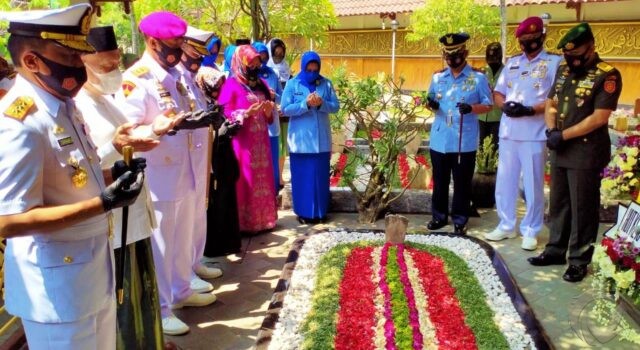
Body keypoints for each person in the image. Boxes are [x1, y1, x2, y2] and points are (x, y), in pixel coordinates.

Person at [0, 4, 145, 349]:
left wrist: (113, 175)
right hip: (55, 292)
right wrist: (103, 202)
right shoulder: (22, 123)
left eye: (80, 56)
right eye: (68, 56)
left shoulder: (63, 106)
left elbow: (73, 178)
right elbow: (8, 220)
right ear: (33, 61)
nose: (79, 66)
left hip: (91, 273)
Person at [114, 11, 217, 336]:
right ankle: (160, 308)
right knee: (161, 245)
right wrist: (155, 128)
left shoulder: (177, 75)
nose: (177, 50)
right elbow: (127, 131)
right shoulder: (138, 79)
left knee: (181, 238)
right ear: (152, 41)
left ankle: (181, 290)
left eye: (179, 43)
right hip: (160, 176)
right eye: (172, 44)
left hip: (186, 170)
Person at [75, 26, 166, 349]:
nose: (115, 69)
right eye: (107, 65)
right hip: (112, 221)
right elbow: (78, 168)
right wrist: (118, 145)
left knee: (140, 296)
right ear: (82, 61)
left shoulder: (106, 99)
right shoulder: (78, 105)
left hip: (133, 216)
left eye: (116, 62)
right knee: (120, 301)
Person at [529, 23, 622, 282]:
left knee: (582, 207)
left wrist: (563, 135)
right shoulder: (563, 69)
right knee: (558, 203)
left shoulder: (607, 75)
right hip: (560, 148)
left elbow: (600, 117)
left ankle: (579, 259)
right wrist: (550, 130)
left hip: (585, 152)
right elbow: (551, 102)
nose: (573, 60)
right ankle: (555, 250)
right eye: (569, 56)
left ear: (591, 47)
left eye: (577, 55)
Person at [484, 17, 562, 251]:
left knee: (532, 185)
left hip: (535, 133)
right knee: (505, 182)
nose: (528, 44)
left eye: (533, 39)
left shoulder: (554, 62)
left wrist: (530, 109)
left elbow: (555, 98)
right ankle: (506, 225)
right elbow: (498, 91)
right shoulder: (513, 63)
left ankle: (531, 229)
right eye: (524, 41)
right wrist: (503, 105)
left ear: (542, 37)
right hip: (509, 131)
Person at [425, 33, 493, 235]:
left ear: (465, 53)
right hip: (440, 139)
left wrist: (472, 108)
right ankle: (438, 217)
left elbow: (488, 105)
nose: (452, 59)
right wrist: (432, 105)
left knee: (462, 183)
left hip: (464, 140)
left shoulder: (478, 78)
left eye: (455, 55)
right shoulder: (437, 77)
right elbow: (429, 99)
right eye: (448, 56)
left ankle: (460, 219)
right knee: (440, 181)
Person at [179, 25, 225, 294]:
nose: (197, 60)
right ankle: (183, 275)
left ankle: (194, 263)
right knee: (180, 224)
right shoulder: (176, 79)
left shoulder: (190, 79)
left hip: (198, 155)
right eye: (194, 53)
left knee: (197, 215)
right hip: (179, 161)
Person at [217, 45, 278, 233]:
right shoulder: (231, 85)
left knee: (263, 180)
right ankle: (245, 223)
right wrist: (244, 113)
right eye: (250, 63)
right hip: (242, 144)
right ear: (241, 63)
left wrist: (269, 113)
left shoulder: (261, 84)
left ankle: (265, 220)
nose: (254, 67)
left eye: (257, 63)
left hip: (261, 144)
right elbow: (223, 113)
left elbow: (269, 117)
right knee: (245, 181)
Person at [281, 51, 340, 223]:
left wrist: (322, 104)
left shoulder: (326, 84)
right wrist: (304, 104)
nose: (313, 73)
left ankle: (320, 212)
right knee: (303, 179)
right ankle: (304, 213)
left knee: (320, 180)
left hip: (321, 142)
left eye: (316, 69)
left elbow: (335, 106)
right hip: (301, 142)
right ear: (303, 67)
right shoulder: (293, 84)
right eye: (309, 69)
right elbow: (285, 108)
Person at [195, 67, 243, 257]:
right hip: (211, 163)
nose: (217, 90)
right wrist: (220, 133)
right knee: (215, 205)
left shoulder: (214, 103)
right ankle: (214, 248)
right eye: (213, 86)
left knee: (227, 201)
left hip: (224, 160)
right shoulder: (200, 104)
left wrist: (228, 129)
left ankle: (229, 243)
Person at [253, 41, 283, 192]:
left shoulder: (273, 73)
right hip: (255, 124)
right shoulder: (248, 74)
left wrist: (273, 95)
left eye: (265, 56)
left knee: (272, 160)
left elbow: (281, 98)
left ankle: (273, 190)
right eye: (259, 56)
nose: (262, 59)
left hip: (272, 124)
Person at [268, 38, 291, 188]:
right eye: (275, 54)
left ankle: (280, 176)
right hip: (269, 114)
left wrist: (285, 106)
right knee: (272, 146)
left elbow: (289, 92)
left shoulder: (287, 69)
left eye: (281, 54)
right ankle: (271, 176)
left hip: (284, 113)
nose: (278, 56)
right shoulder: (266, 72)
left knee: (282, 146)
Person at [478, 42, 503, 149]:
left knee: (495, 148)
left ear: (500, 56)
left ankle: (494, 166)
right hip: (481, 117)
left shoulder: (507, 72)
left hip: (499, 116)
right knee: (482, 148)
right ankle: (483, 166)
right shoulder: (481, 72)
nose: (492, 59)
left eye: (495, 56)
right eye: (489, 56)